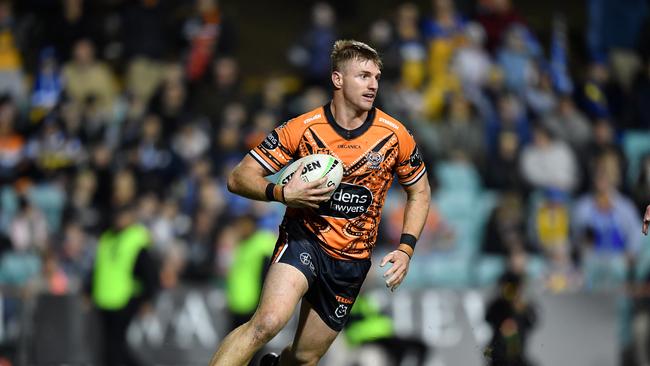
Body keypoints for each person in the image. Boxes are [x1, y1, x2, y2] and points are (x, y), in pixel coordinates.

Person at [209, 39, 431, 366]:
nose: (373, 84)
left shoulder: (395, 135)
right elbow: (238, 177)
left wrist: (406, 248)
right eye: (363, 76)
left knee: (304, 357)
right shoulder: (302, 129)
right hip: (304, 240)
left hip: (351, 261)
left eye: (376, 77)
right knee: (267, 323)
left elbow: (420, 192)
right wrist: (283, 193)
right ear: (338, 79)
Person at [88, 203, 158, 366]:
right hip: (104, 299)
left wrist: (147, 298)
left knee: (115, 346)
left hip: (125, 298)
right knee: (109, 346)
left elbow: (149, 273)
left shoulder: (135, 239)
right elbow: (99, 268)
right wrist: (89, 290)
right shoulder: (107, 238)